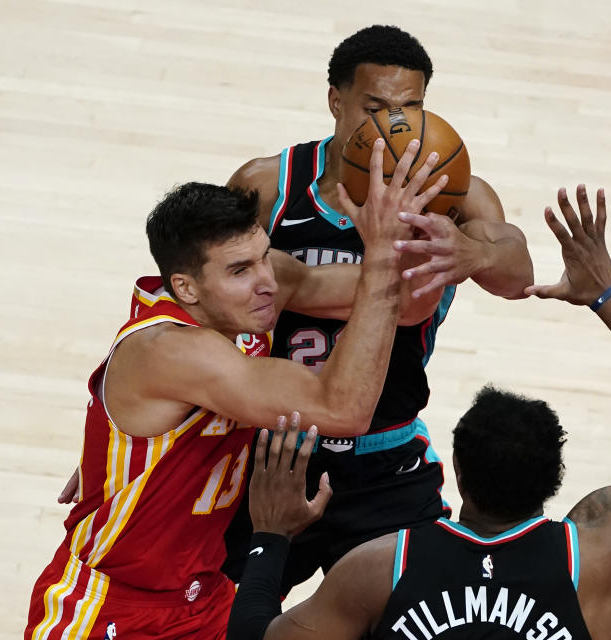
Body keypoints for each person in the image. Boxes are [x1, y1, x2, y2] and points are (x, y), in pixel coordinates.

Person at [226, 185, 611, 640]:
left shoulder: (383, 567)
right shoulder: (595, 556)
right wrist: (606, 294)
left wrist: (270, 536)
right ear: (554, 479)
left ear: (458, 474)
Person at [26, 141, 448, 640]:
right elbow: (343, 409)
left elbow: (407, 305)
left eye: (263, 257)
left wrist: (449, 247)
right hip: (114, 605)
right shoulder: (172, 351)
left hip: (205, 597)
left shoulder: (252, 296)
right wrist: (378, 254)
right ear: (186, 289)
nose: (267, 281)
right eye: (240, 271)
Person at [222, 23, 536, 595]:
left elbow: (519, 274)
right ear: (336, 102)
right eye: (374, 106)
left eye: (410, 107)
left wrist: (470, 250)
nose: (393, 124)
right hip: (275, 453)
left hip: (385, 460)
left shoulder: (452, 192)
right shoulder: (270, 185)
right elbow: (201, 304)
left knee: (420, 619)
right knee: (217, 618)